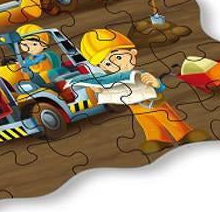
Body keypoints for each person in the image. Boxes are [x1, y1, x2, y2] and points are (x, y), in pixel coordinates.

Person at [77, 29, 210, 155]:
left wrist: (156, 83)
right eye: (107, 64)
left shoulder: (140, 74)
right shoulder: (113, 80)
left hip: (155, 103)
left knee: (168, 118)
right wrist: (99, 91)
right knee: (148, 124)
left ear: (133, 53)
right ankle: (157, 139)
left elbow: (159, 87)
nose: (115, 65)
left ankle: (184, 133)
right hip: (137, 109)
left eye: (118, 58)